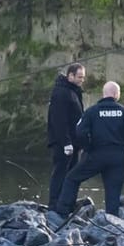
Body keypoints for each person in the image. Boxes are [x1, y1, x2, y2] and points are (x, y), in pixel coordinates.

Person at [57, 81, 124, 216]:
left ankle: (62, 213)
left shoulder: (92, 111)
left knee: (72, 178)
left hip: (96, 154)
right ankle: (111, 220)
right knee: (113, 190)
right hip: (116, 156)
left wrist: (87, 147)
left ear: (104, 93)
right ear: (116, 95)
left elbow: (79, 132)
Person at [44, 62, 86, 212]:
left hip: (74, 143)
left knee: (71, 174)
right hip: (64, 143)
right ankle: (54, 204)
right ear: (70, 76)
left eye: (83, 77)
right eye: (80, 77)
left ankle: (66, 203)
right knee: (61, 172)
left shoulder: (74, 91)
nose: (82, 79)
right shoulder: (61, 92)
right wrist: (66, 142)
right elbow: (58, 120)